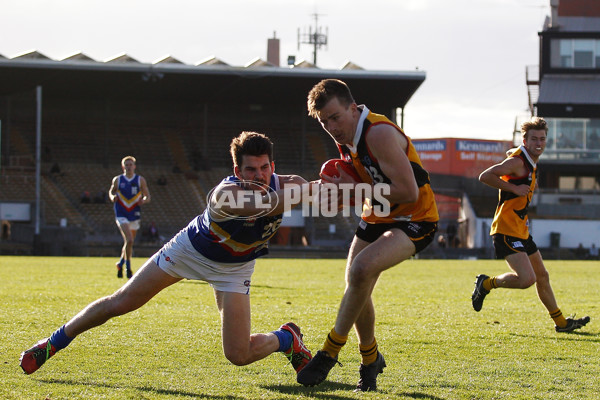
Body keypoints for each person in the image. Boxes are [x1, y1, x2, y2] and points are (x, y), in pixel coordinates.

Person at [19, 131, 314, 378]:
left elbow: (329, 198)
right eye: (251, 169)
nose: (259, 175)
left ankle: (286, 339)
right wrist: (314, 191)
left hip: (235, 268)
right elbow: (261, 206)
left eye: (264, 168)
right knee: (121, 302)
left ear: (272, 166)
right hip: (190, 251)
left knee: (238, 355)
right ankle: (52, 343)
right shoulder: (224, 194)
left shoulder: (292, 184)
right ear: (238, 171)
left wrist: (349, 187)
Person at [296, 79, 439, 391]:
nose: (331, 127)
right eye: (324, 122)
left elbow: (409, 192)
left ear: (352, 108)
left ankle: (329, 351)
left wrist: (353, 192)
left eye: (335, 117)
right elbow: (361, 183)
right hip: (378, 213)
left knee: (361, 269)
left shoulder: (380, 133)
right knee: (356, 283)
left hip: (415, 217)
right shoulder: (347, 135)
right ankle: (370, 359)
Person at [472, 117, 590, 333]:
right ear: (525, 140)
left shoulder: (529, 160)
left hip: (521, 230)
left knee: (542, 276)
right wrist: (514, 188)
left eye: (543, 139)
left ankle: (561, 323)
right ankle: (486, 283)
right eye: (534, 139)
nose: (539, 143)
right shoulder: (518, 162)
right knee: (527, 279)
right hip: (506, 230)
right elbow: (485, 176)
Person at [109, 156, 151, 279]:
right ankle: (128, 268)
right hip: (121, 213)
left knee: (128, 242)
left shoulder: (140, 180)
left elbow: (147, 196)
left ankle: (120, 263)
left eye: (130, 164)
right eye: (126, 165)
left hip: (134, 213)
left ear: (134, 166)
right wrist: (113, 197)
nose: (128, 167)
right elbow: (111, 192)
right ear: (123, 167)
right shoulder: (118, 179)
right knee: (130, 240)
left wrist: (143, 200)